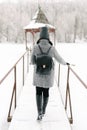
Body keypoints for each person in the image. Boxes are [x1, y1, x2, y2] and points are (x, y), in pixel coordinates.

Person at [31, 26, 69, 121]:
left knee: (38, 92)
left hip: (38, 74)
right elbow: (59, 58)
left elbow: (32, 61)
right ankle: (43, 111)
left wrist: (38, 62)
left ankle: (39, 112)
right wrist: (65, 63)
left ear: (40, 36)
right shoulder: (52, 48)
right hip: (48, 75)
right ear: (48, 37)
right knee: (46, 92)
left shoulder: (35, 47)